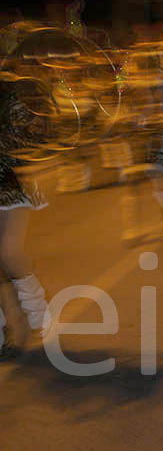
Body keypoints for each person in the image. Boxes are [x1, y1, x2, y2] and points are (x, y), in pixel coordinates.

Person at [0, 78, 51, 354]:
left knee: (9, 253)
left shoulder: (9, 95)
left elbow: (34, 135)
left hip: (9, 184)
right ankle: (5, 332)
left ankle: (39, 314)